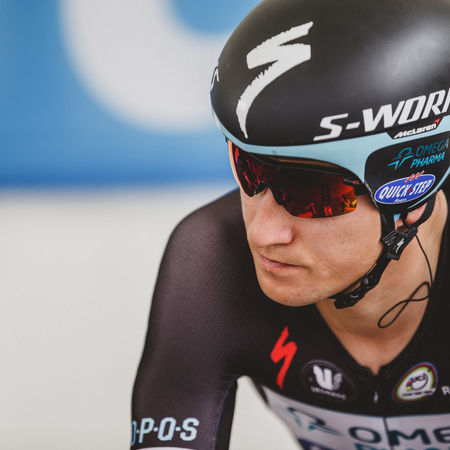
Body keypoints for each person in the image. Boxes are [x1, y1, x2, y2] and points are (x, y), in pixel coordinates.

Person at [131, 0, 450, 448]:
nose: (262, 234)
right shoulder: (214, 256)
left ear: (413, 198)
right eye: (249, 170)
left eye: (312, 195)